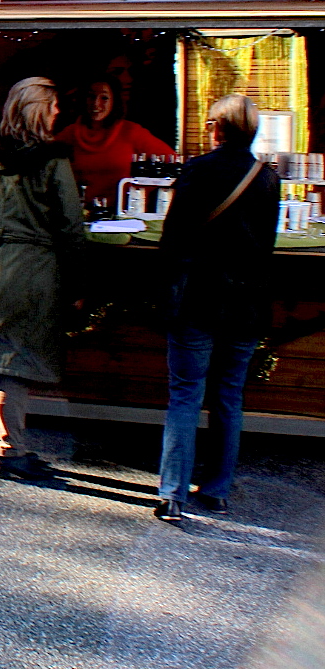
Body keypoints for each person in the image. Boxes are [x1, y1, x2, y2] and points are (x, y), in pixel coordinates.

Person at [153, 94, 278, 523]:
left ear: (219, 128)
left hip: (198, 299)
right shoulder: (267, 178)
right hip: (245, 303)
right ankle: (217, 491)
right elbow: (266, 246)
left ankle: (172, 494)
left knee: (185, 395)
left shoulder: (199, 170)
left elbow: (173, 239)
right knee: (228, 398)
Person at [0, 77, 83, 481]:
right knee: (15, 360)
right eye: (54, 106)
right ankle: (12, 451)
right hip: (30, 267)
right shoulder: (53, 161)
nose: (59, 113)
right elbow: (71, 226)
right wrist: (78, 285)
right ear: (39, 110)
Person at [55, 75, 174, 210]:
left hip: (123, 215)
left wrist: (140, 192)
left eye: (104, 98)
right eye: (91, 96)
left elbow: (172, 163)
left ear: (115, 101)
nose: (96, 103)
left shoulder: (131, 132)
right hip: (82, 213)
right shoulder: (71, 133)